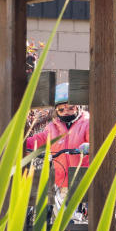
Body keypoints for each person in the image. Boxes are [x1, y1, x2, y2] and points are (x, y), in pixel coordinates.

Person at [24, 82, 91, 216]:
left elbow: (94, 138)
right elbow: (40, 139)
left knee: (76, 212)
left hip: (81, 179)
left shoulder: (86, 122)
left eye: (70, 108)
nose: (66, 112)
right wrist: (24, 145)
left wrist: (88, 146)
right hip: (61, 180)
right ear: (56, 111)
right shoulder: (53, 127)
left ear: (78, 107)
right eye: (61, 110)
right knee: (59, 211)